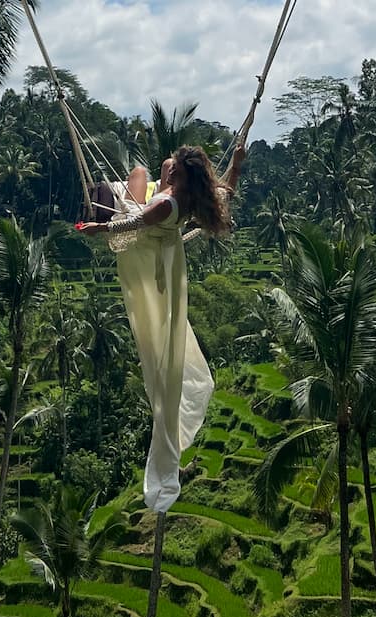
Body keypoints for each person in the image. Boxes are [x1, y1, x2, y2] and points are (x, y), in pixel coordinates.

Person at [78, 143, 246, 513]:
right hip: (167, 262)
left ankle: (165, 449)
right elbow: (227, 191)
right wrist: (235, 164)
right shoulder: (192, 197)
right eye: (169, 170)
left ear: (183, 177)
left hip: (146, 255)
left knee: (137, 173)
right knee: (139, 173)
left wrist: (98, 228)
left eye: (173, 172)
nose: (168, 172)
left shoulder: (166, 204)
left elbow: (131, 224)